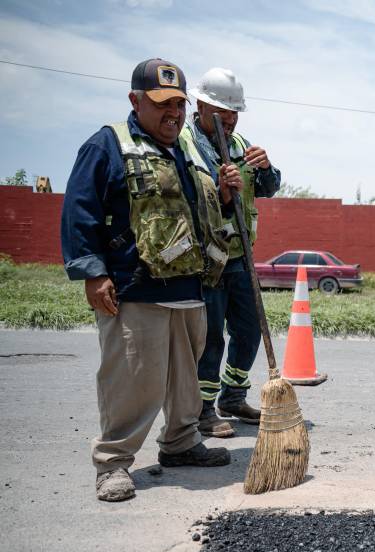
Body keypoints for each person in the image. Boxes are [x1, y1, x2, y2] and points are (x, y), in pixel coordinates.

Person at [61, 58, 241, 502]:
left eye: (179, 105)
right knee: (133, 380)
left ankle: (180, 444)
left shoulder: (186, 150)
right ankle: (113, 463)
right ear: (135, 101)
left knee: (186, 382)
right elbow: (79, 212)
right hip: (135, 289)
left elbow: (197, 213)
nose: (173, 114)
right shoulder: (108, 144)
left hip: (189, 290)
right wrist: (92, 273)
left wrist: (222, 192)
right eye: (162, 105)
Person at [182, 68, 281, 434]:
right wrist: (222, 195)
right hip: (204, 260)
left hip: (239, 257)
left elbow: (268, 188)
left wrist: (267, 168)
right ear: (201, 104)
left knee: (248, 329)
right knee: (209, 337)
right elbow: (185, 200)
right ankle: (203, 408)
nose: (230, 119)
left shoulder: (240, 144)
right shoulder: (184, 144)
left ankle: (233, 396)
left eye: (235, 112)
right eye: (224, 111)